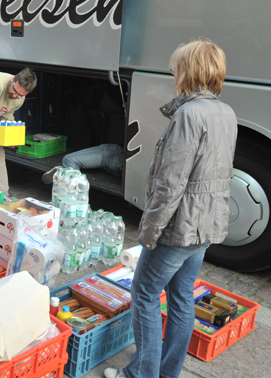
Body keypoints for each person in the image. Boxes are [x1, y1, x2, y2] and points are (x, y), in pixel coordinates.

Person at [104, 40, 237, 378]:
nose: (173, 73)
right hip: (205, 226)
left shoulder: (188, 114)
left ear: (189, 72)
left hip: (179, 227)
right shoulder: (225, 112)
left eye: (177, 67)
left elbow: (171, 183)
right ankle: (167, 372)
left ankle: (140, 375)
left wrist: (149, 232)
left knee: (145, 294)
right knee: (180, 299)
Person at [41, 143, 124, 184]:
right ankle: (65, 169)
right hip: (122, 169)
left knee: (68, 159)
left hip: (118, 156)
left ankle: (67, 177)